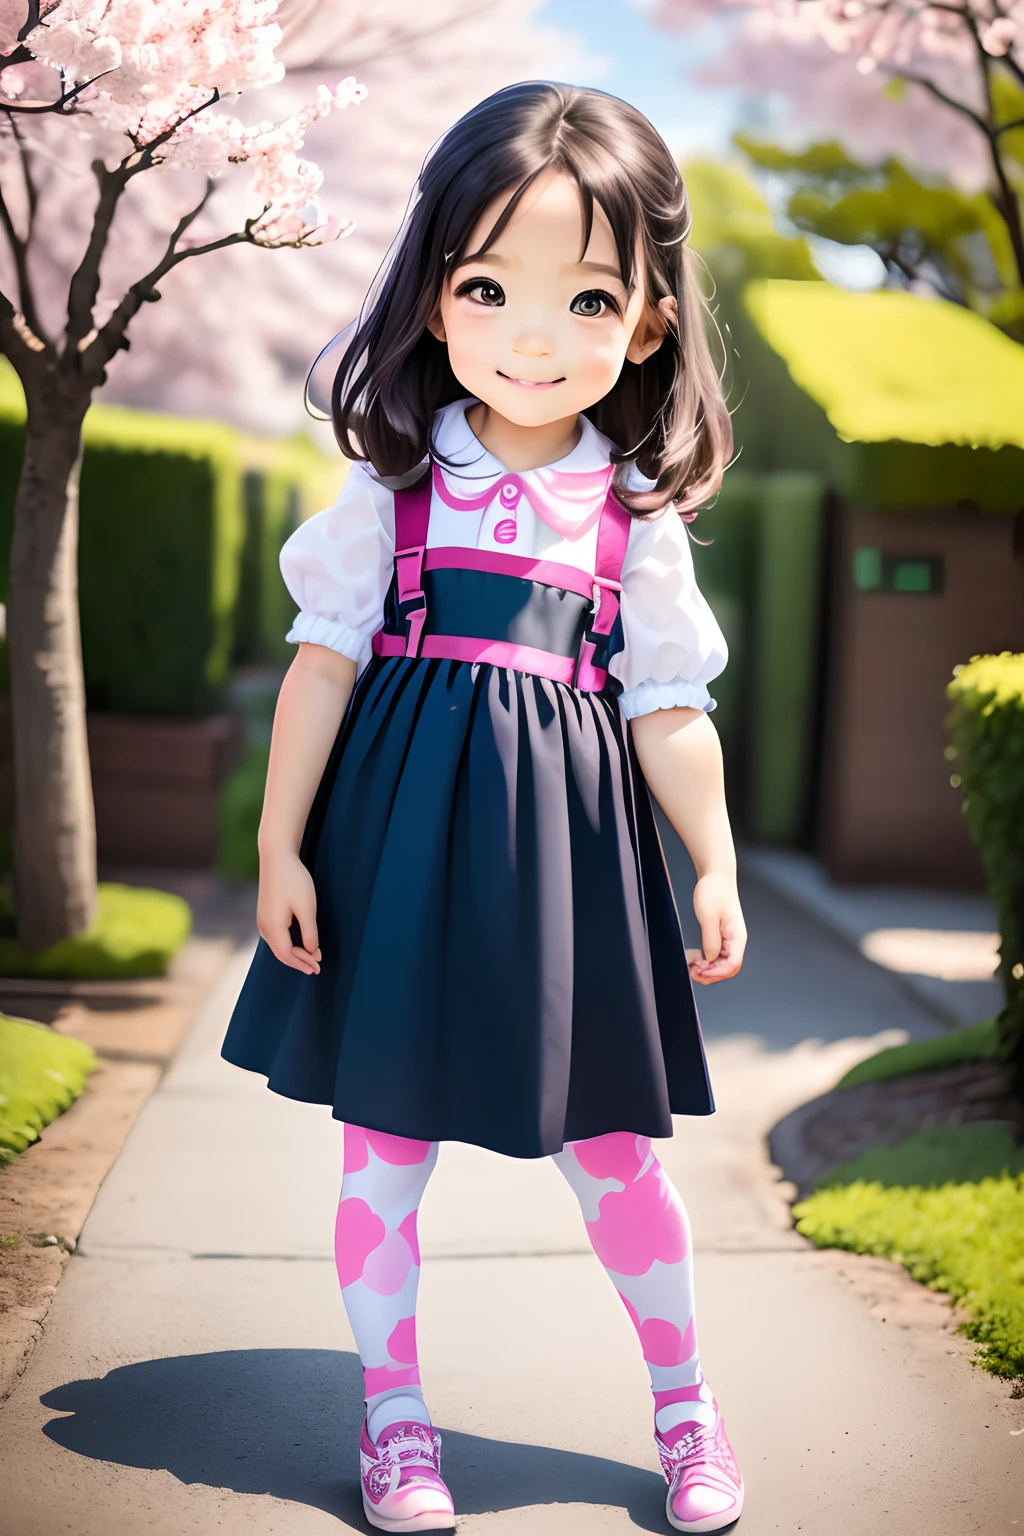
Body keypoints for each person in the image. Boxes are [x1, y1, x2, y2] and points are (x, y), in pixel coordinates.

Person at [222, 80, 747, 1536]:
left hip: (572, 873)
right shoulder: (388, 499)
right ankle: (397, 1425)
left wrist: (711, 860)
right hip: (394, 860)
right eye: (490, 286)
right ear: (435, 293)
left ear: (646, 321)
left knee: (617, 1152)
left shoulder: (634, 517)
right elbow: (322, 675)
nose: (533, 336)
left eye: (587, 299)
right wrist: (279, 845)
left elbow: (669, 705)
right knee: (381, 1144)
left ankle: (689, 1408)